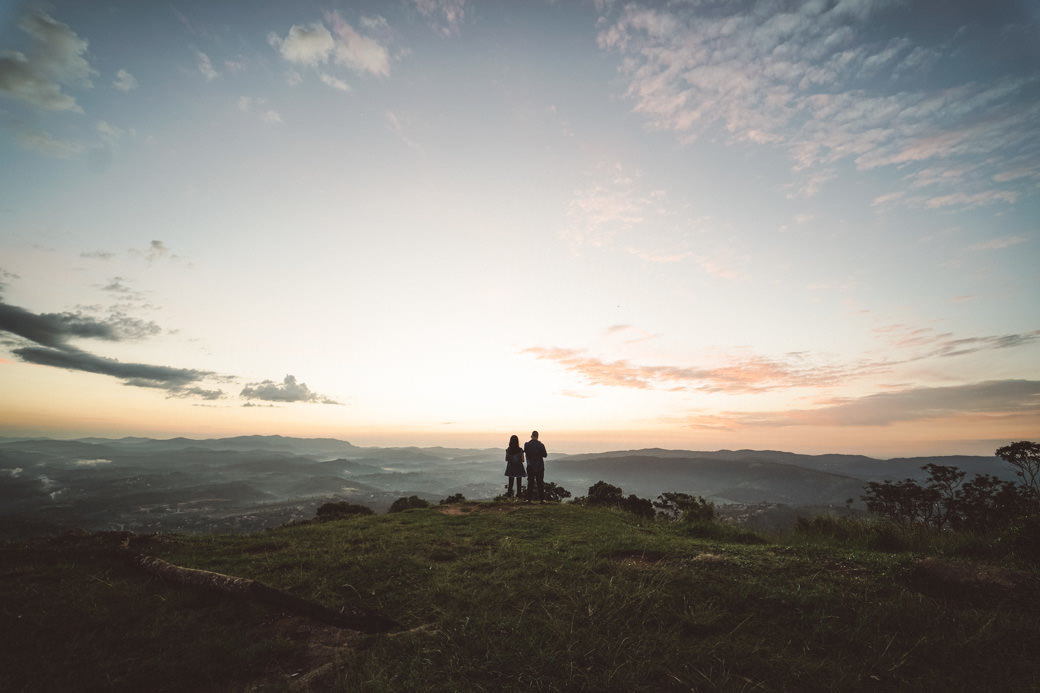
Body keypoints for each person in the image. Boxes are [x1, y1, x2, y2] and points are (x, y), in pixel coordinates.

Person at [523, 430, 548, 503]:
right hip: (539, 466)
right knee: (540, 483)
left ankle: (529, 499)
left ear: (531, 436)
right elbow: (545, 455)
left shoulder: (527, 444)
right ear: (537, 436)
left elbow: (526, 452)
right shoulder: (541, 445)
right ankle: (542, 500)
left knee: (530, 483)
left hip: (530, 466)